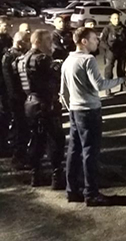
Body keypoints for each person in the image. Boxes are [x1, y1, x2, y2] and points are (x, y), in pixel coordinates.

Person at [60, 27, 126, 206]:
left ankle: (72, 190)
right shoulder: (87, 60)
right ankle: (91, 193)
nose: (97, 41)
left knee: (74, 151)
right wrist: (122, 80)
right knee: (90, 152)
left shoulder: (68, 60)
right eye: (94, 39)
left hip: (75, 111)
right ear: (84, 41)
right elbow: (99, 85)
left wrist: (71, 108)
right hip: (89, 111)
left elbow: (63, 92)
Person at [17, 29, 66, 189]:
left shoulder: (22, 60)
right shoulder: (43, 59)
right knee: (56, 140)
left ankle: (35, 174)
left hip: (30, 103)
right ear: (38, 42)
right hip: (46, 103)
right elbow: (56, 78)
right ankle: (57, 176)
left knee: (36, 139)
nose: (50, 44)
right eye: (47, 41)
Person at [2, 31, 30, 168]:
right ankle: (18, 157)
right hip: (17, 99)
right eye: (27, 40)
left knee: (23, 128)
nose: (29, 43)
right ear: (19, 43)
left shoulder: (17, 56)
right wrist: (15, 98)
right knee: (21, 128)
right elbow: (9, 82)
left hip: (19, 97)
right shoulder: (10, 57)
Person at [100, 13, 126, 96]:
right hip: (111, 52)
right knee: (109, 70)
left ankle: (123, 85)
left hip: (121, 51)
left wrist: (125, 47)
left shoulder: (123, 28)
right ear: (111, 19)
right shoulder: (107, 28)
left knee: (122, 69)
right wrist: (108, 48)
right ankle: (108, 88)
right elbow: (102, 41)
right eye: (114, 18)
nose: (116, 20)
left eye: (117, 18)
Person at [0, 18, 14, 156]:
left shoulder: (8, 39)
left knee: (6, 114)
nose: (8, 27)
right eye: (5, 25)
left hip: (6, 82)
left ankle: (4, 142)